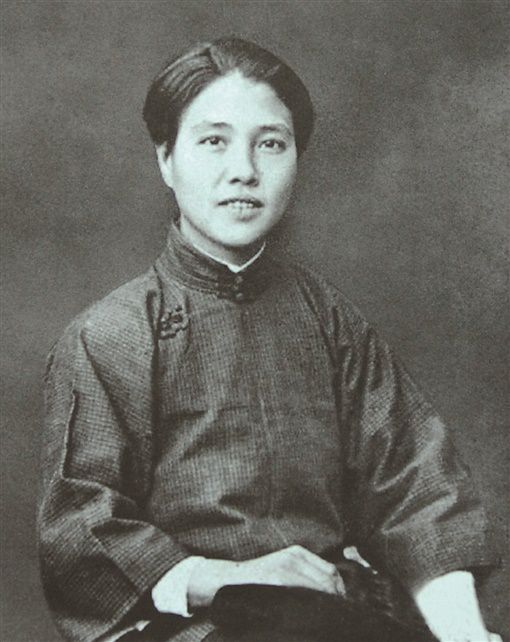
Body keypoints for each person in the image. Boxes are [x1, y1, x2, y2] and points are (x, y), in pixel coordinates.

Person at [38, 37, 501, 642]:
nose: (244, 170)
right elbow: (81, 525)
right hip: (190, 627)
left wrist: (466, 635)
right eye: (214, 141)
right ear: (166, 159)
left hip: (333, 615)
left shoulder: (328, 319)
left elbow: (415, 487)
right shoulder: (110, 335)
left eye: (271, 144)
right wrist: (233, 578)